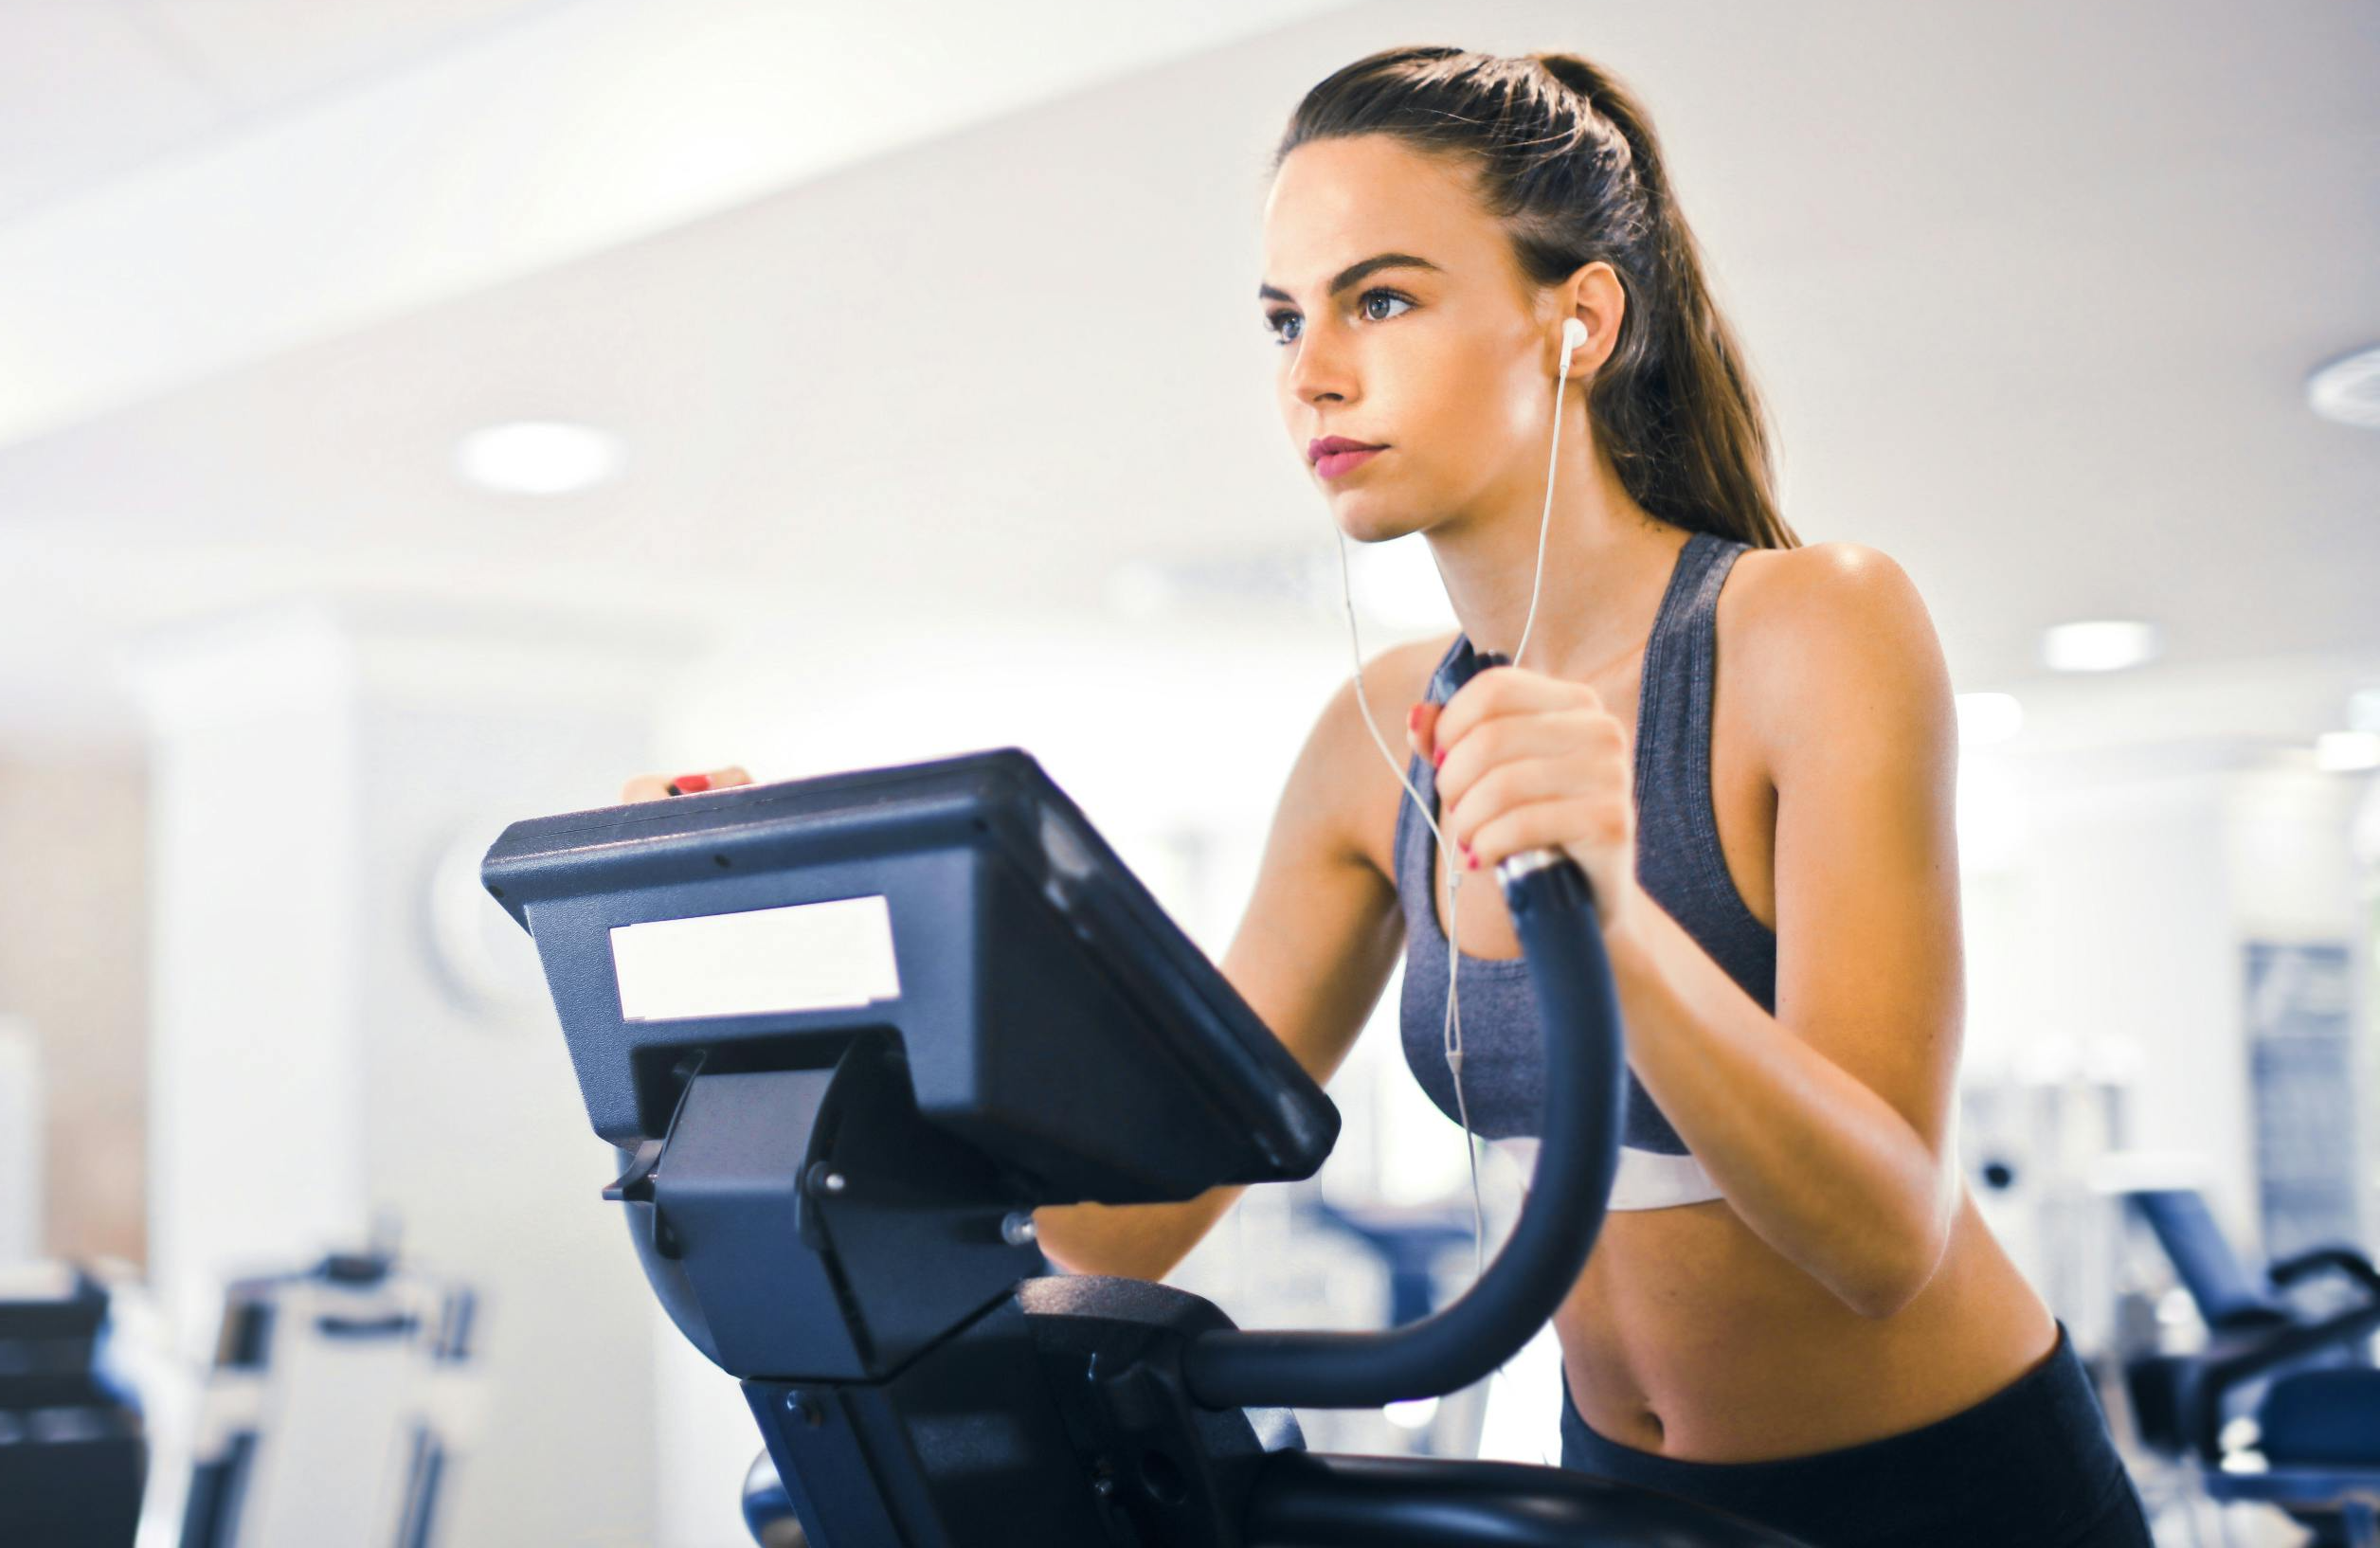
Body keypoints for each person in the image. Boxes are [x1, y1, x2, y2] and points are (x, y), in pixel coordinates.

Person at [625, 45, 2155, 1548]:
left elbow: (1887, 1238)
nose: (1313, 371)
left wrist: (1610, 915)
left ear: (1579, 320)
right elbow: (1140, 1211)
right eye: (1287, 318)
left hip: (1953, 1488)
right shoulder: (1377, 742)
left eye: (1383, 298)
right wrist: (768, 1010)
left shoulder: (1807, 627)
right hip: (1617, 1497)